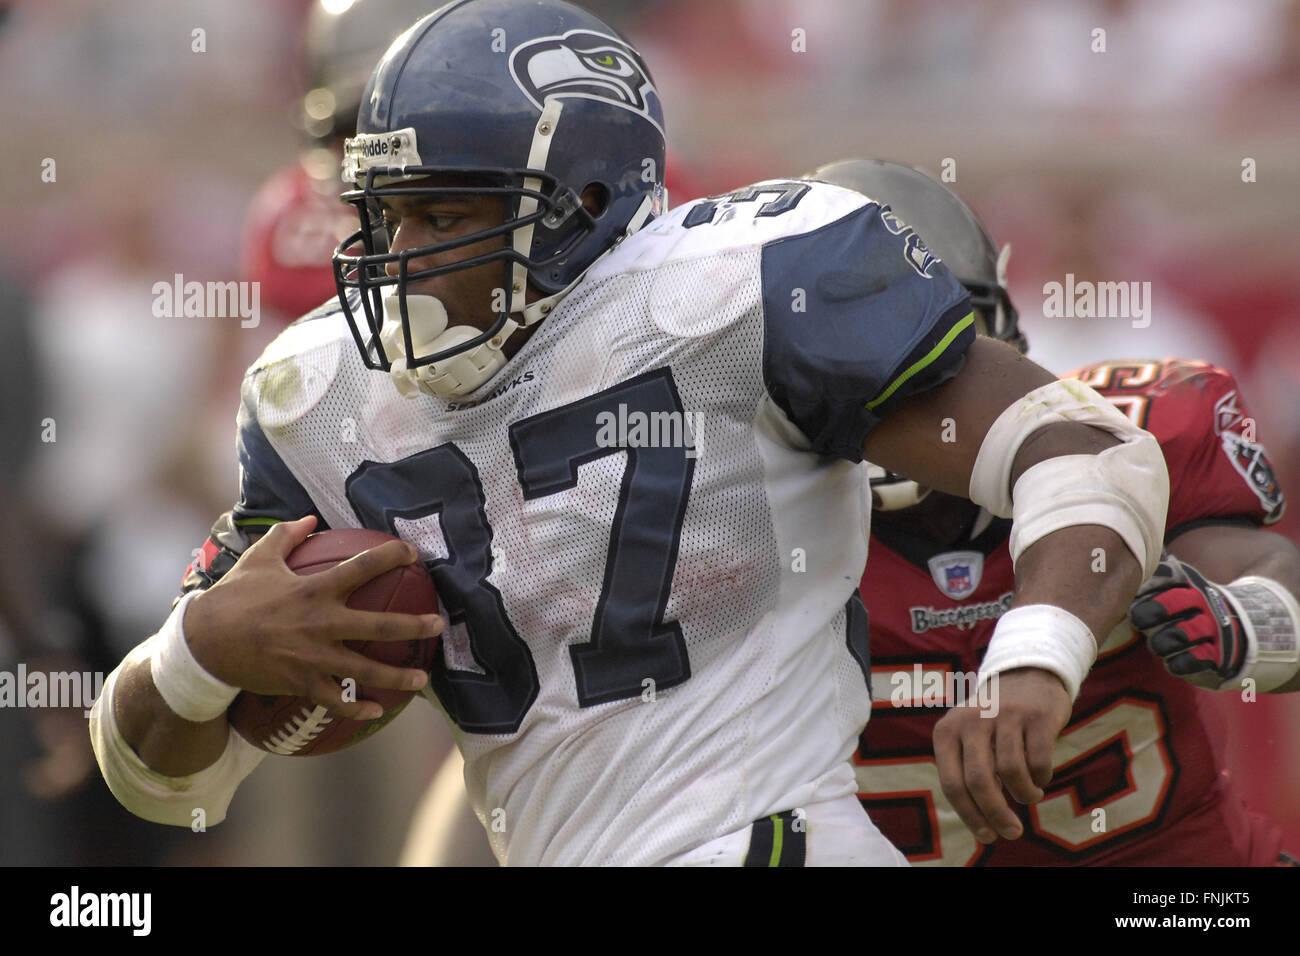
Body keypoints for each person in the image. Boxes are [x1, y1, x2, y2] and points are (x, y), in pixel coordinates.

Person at [90, 0, 1170, 866]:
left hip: (763, 833)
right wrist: (195, 653)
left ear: (584, 201)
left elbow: (1078, 443)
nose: (398, 254)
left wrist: (1032, 660)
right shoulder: (317, 388)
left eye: (448, 214)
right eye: (384, 213)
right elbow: (163, 781)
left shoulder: (739, 287)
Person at [809, 159, 1300, 865]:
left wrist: (1245, 622)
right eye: (851, 355)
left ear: (998, 345)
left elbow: (1269, 575)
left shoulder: (1144, 430)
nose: (893, 382)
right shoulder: (746, 508)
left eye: (925, 345)